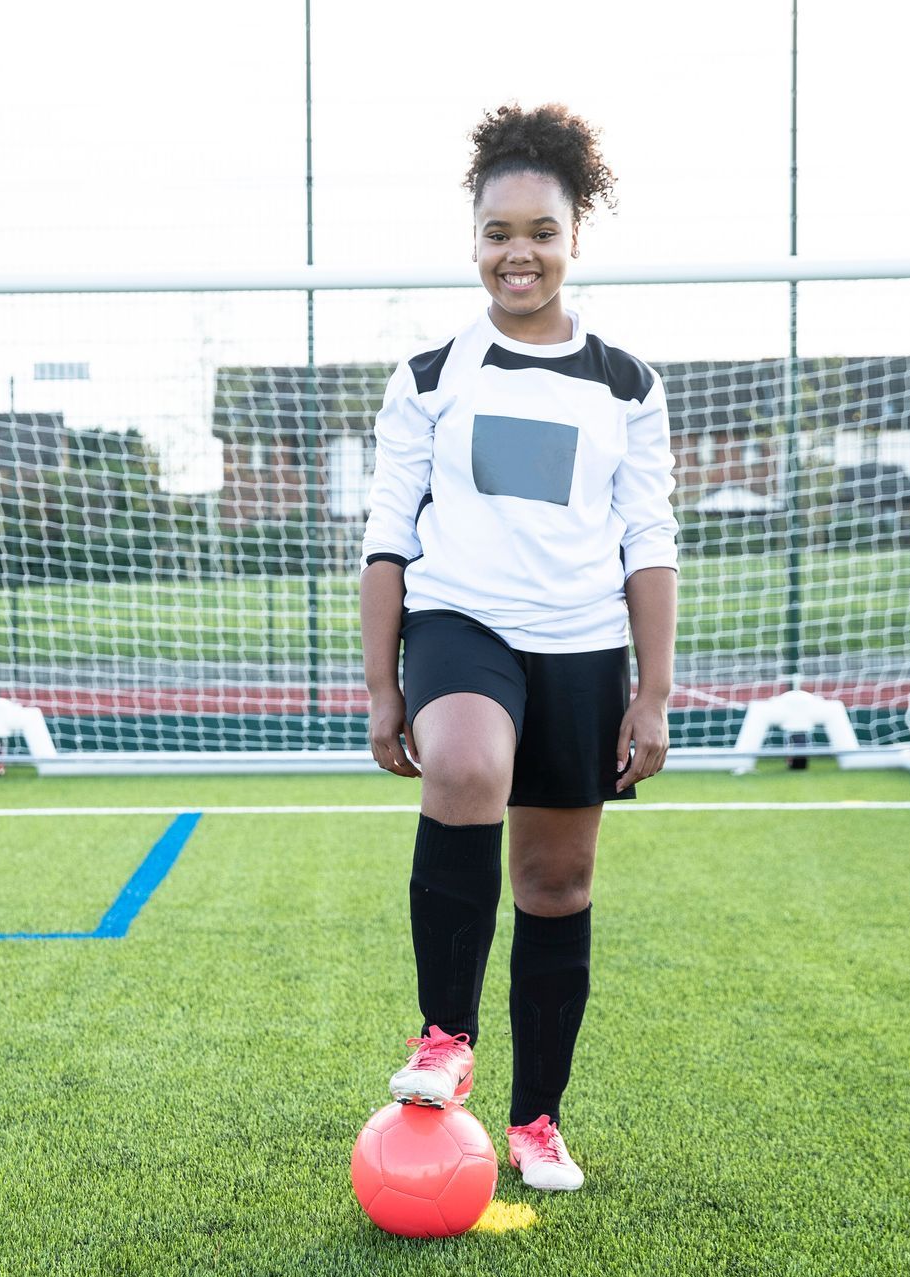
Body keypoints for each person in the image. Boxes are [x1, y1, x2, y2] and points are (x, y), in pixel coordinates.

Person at [358, 102, 678, 1192]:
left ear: (574, 235)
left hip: (584, 647)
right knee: (463, 764)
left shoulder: (626, 384)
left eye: (540, 230)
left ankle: (538, 1118)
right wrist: (381, 690)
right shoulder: (432, 375)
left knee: (556, 879)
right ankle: (444, 1037)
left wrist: (654, 693)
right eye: (499, 231)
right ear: (475, 239)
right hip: (463, 625)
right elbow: (388, 539)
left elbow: (650, 541)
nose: (519, 253)